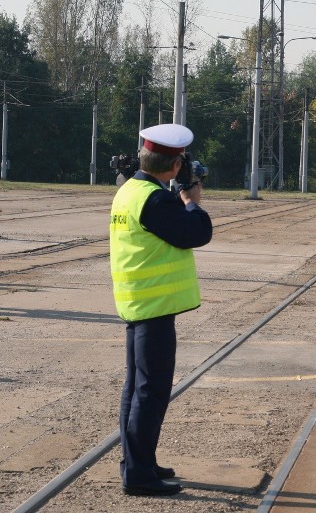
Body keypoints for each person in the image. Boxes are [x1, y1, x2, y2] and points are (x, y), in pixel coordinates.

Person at [109, 123, 213, 496]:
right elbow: (196, 233)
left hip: (138, 302)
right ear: (173, 166)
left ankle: (139, 462)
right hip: (153, 306)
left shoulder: (130, 191)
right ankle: (138, 476)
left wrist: (177, 193)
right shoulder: (156, 200)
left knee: (136, 389)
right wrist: (190, 198)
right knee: (150, 391)